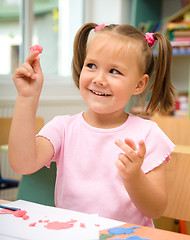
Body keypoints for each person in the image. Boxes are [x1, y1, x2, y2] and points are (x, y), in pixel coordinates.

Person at [9, 23, 176, 227]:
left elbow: (156, 209)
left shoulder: (148, 135)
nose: (99, 79)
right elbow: (23, 164)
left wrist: (134, 177)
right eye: (91, 66)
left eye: (114, 71)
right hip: (72, 233)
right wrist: (27, 98)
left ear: (139, 84)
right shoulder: (63, 127)